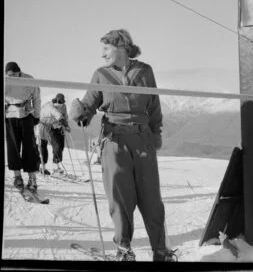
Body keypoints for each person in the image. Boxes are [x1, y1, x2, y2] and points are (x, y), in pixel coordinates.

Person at [69, 29, 177, 262]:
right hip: (114, 141)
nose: (102, 54)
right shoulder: (101, 74)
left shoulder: (145, 71)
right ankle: (124, 250)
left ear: (121, 46)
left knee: (151, 198)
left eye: (106, 48)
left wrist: (156, 135)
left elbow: (154, 107)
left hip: (143, 140)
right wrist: (81, 111)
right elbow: (89, 104)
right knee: (120, 198)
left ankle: (160, 251)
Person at [5, 62, 41, 192]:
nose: (12, 77)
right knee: (13, 147)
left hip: (26, 115)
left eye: (14, 74)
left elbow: (36, 98)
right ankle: (17, 177)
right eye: (9, 75)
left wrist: (36, 115)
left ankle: (32, 178)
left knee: (29, 148)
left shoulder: (29, 79)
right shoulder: (5, 81)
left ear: (19, 71)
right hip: (10, 116)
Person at [37, 93, 70, 175]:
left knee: (60, 146)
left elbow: (65, 116)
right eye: (59, 102)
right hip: (45, 126)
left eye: (62, 102)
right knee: (46, 146)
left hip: (58, 126)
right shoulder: (49, 105)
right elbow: (55, 112)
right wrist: (61, 119)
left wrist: (66, 125)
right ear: (56, 100)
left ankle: (56, 165)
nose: (61, 104)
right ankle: (43, 167)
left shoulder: (63, 106)